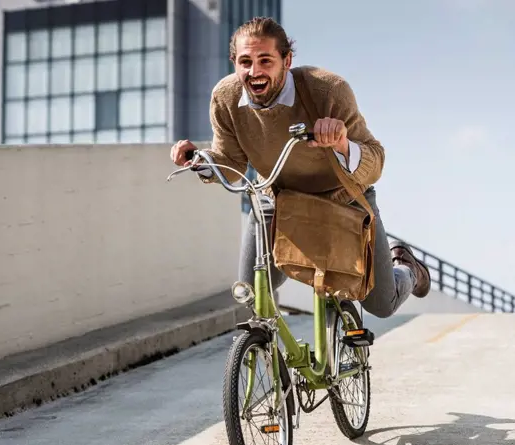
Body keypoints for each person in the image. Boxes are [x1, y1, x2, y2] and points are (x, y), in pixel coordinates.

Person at [169, 17, 430, 318]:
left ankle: (407, 266)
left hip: (342, 199)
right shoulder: (225, 98)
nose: (254, 72)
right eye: (245, 62)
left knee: (382, 305)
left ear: (287, 60)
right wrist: (200, 161)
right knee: (252, 293)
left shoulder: (327, 90)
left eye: (265, 60)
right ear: (235, 63)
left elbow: (376, 161)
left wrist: (343, 144)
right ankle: (267, 353)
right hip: (280, 200)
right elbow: (231, 165)